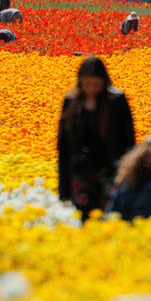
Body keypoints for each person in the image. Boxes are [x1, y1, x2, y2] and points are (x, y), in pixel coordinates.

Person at [57, 56, 136, 220]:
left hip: (111, 170)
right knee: (85, 220)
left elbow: (130, 140)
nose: (91, 89)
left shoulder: (116, 101)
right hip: (80, 173)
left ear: (104, 82)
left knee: (111, 218)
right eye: (87, 84)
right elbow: (63, 146)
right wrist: (63, 188)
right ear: (80, 82)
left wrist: (129, 177)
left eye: (96, 85)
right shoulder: (71, 102)